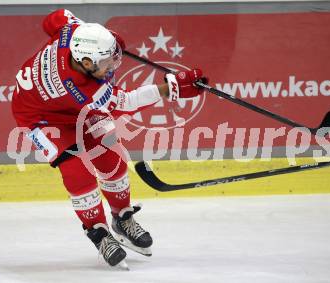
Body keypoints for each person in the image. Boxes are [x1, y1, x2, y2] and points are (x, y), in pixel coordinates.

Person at [11, 9, 208, 268]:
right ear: (87, 64)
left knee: (112, 157)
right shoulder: (84, 91)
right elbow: (125, 102)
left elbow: (55, 18)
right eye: (107, 63)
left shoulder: (71, 33)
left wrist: (107, 41)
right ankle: (97, 231)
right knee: (77, 171)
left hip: (72, 109)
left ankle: (122, 217)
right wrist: (171, 88)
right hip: (40, 119)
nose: (113, 66)